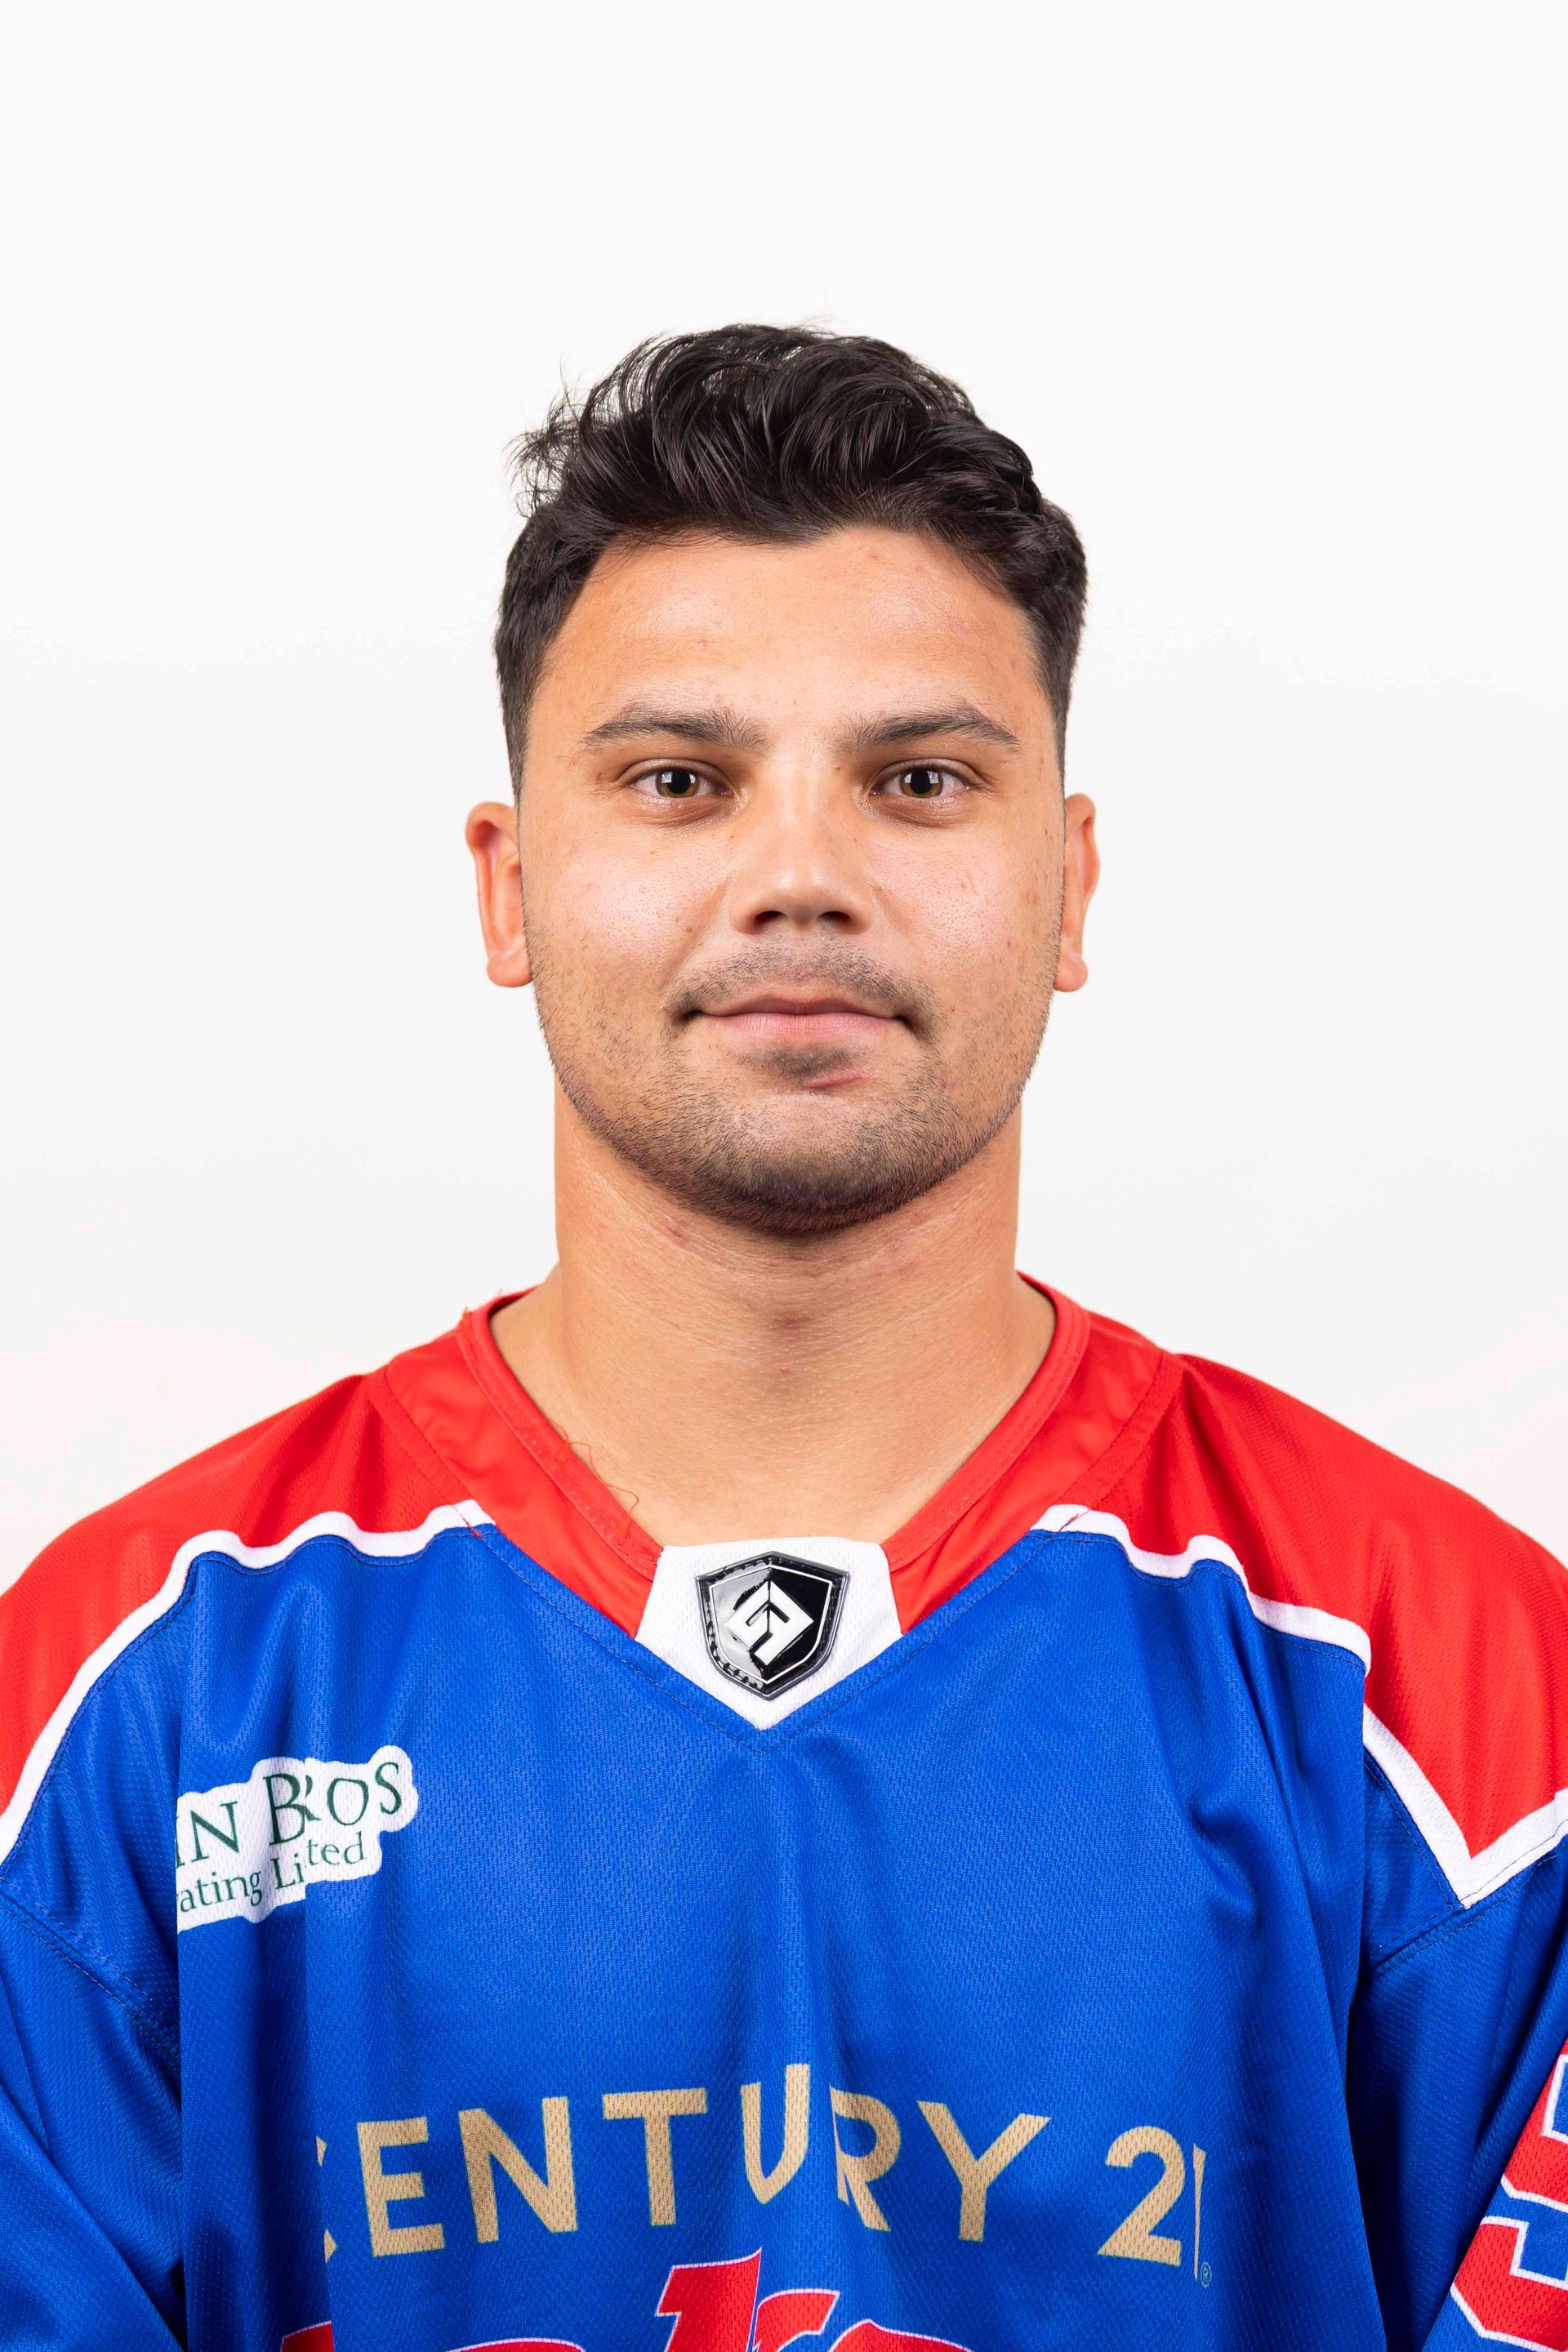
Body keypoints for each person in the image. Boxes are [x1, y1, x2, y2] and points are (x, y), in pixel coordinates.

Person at [0, 326, 1561, 2352]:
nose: (802, 876)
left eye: (921, 783)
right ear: (511, 889)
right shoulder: (135, 1692)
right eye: (679, 782)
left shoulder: (1455, 1698)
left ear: (1068, 885)